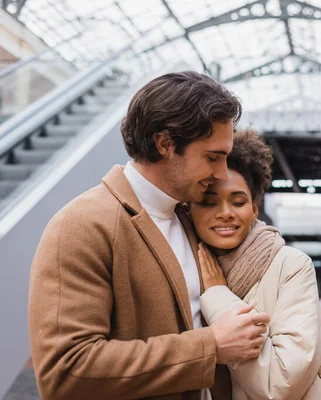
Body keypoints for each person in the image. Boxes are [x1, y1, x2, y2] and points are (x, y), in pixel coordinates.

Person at [28, 71, 270, 400]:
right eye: (212, 157)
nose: (221, 173)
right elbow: (66, 370)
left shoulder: (191, 217)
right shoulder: (83, 225)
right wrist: (210, 347)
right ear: (165, 144)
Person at [189, 130, 321, 400]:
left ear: (254, 209)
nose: (225, 212)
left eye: (238, 201)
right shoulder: (184, 263)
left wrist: (218, 296)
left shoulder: (291, 265)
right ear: (189, 209)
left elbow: (282, 383)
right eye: (209, 202)